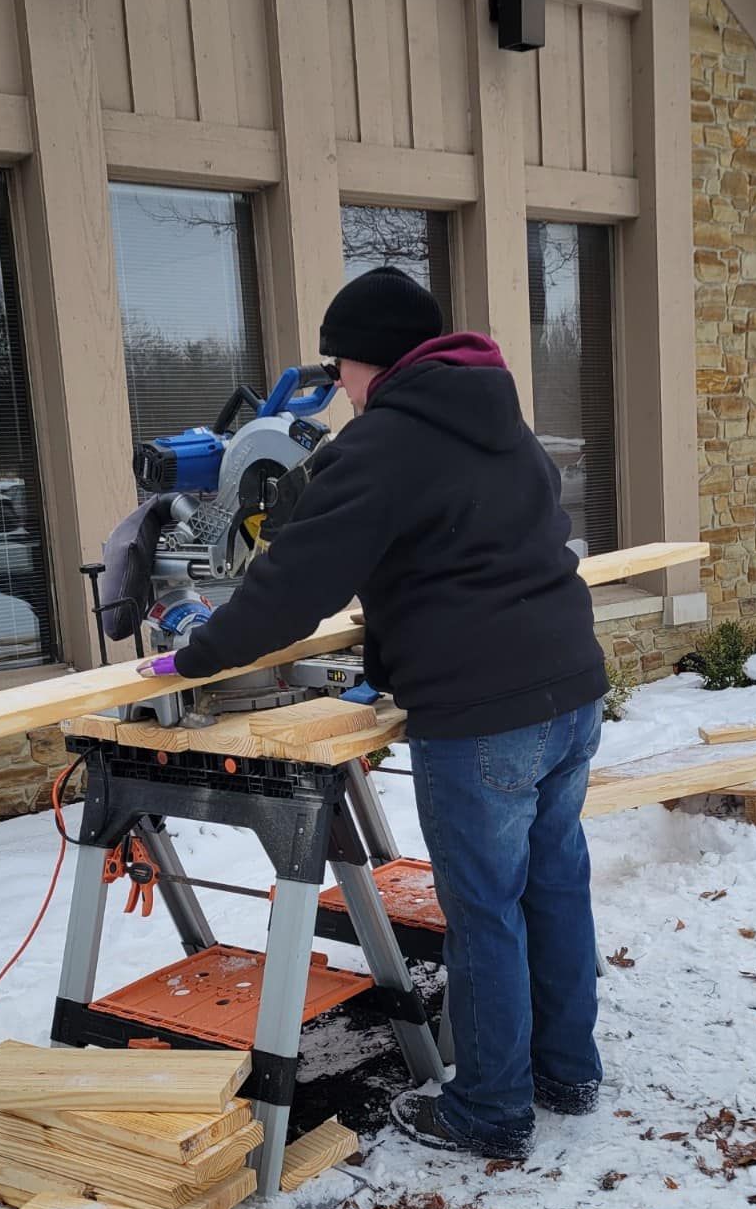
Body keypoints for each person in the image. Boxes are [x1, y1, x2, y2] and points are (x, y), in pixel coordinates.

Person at [164, 265, 607, 1162]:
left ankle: (489, 1111)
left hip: (484, 714)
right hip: (569, 691)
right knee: (554, 885)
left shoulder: (385, 443)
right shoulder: (499, 421)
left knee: (484, 911)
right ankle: (567, 1070)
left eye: (341, 372)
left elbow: (293, 588)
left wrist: (193, 653)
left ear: (370, 363)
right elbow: (471, 552)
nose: (341, 393)